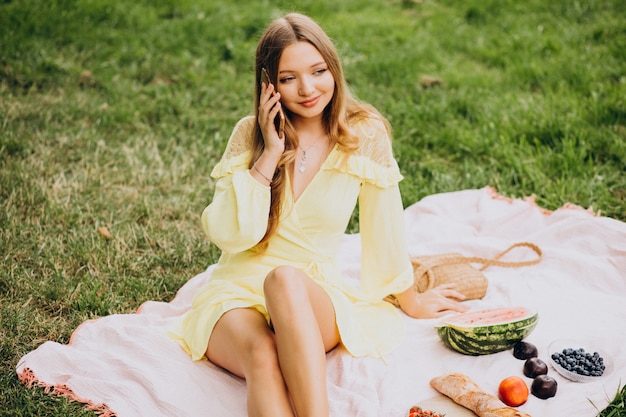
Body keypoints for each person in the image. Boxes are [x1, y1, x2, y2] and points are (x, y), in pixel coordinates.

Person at [171, 12, 468, 417]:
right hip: (236, 292)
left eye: (318, 71)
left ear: (334, 69)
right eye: (289, 78)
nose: (308, 89)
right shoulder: (250, 134)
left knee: (284, 280)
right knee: (263, 357)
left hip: (311, 293)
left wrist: (410, 299)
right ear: (268, 86)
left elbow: (385, 228)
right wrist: (269, 155)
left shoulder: (364, 134)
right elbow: (229, 235)